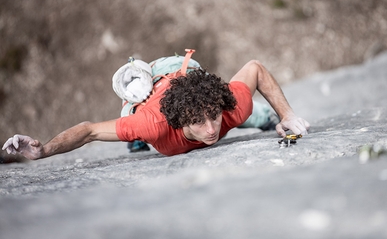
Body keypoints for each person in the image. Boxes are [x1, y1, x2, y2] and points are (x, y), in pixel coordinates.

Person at [2, 56, 310, 160]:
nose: (211, 129)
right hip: (158, 81)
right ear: (179, 121)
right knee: (130, 119)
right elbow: (90, 131)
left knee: (251, 115)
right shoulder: (152, 124)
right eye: (197, 123)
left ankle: (266, 117)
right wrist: (44, 151)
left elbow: (255, 68)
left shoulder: (229, 107)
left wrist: (287, 115)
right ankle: (137, 68)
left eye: (213, 116)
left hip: (186, 71)